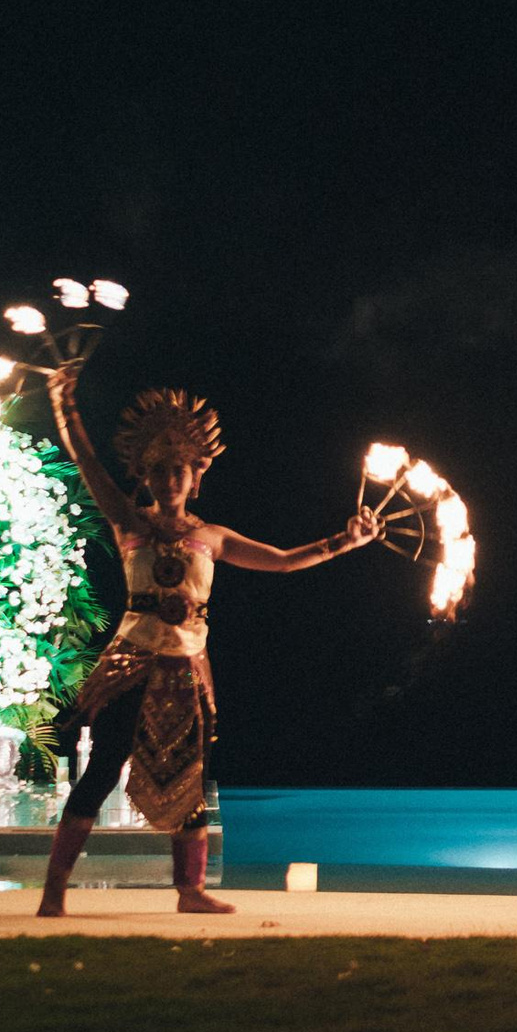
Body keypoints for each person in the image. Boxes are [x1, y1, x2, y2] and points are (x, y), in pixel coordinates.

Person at [37, 363, 380, 915]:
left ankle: (190, 891)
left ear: (197, 476)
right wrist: (64, 403)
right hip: (133, 662)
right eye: (159, 469)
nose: (170, 478)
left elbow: (287, 562)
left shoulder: (212, 538)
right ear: (144, 476)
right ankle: (54, 887)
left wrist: (347, 540)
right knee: (103, 769)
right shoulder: (128, 521)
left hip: (188, 668)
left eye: (180, 469)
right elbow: (86, 460)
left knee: (191, 776)